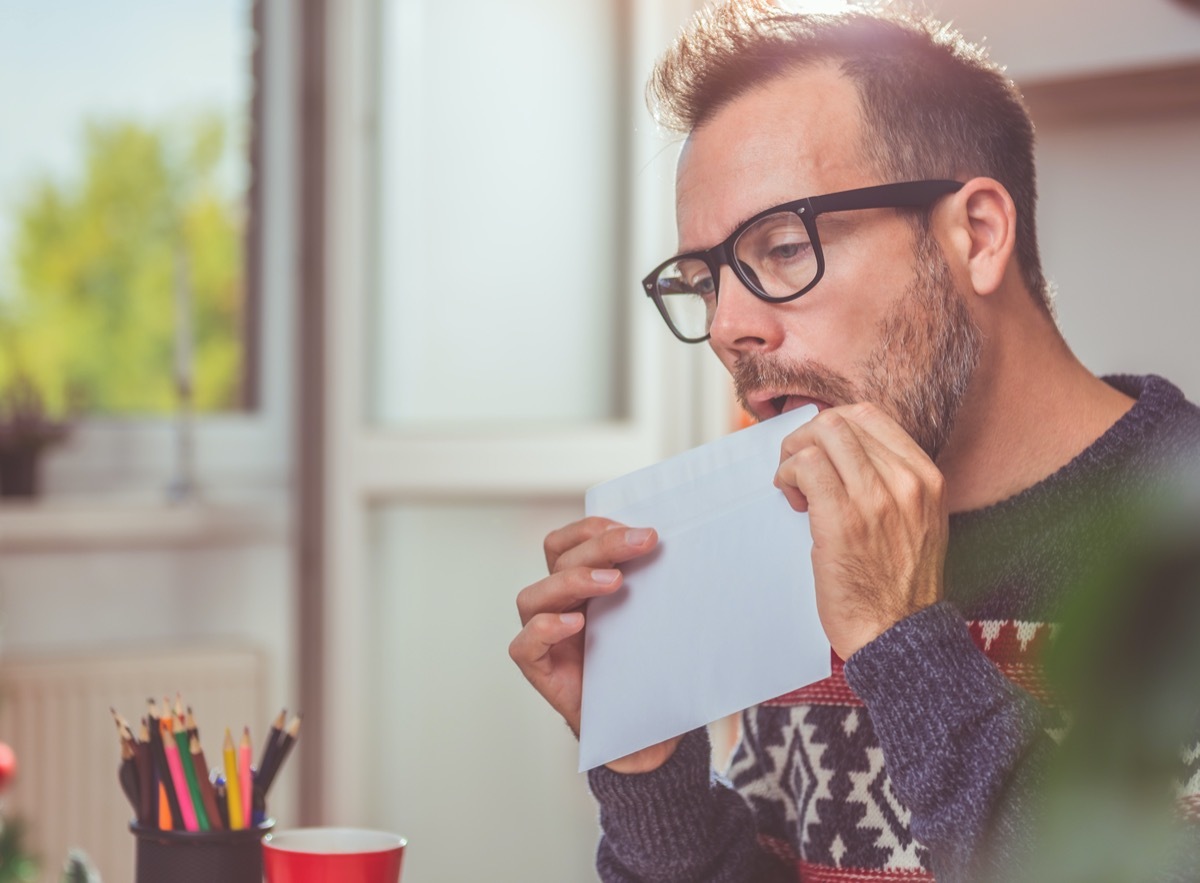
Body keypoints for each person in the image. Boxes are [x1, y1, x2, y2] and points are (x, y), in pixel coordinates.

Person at [509, 2, 1200, 880]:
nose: (728, 327)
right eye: (705, 281)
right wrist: (651, 771)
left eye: (785, 247)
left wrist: (902, 642)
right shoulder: (790, 531)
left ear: (976, 235)